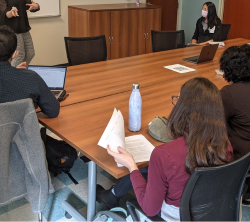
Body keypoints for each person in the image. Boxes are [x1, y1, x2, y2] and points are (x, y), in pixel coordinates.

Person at [96, 77, 232, 220]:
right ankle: (113, 194)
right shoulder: (225, 143)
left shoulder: (164, 154)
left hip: (177, 216)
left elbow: (150, 209)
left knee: (144, 178)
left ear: (183, 109)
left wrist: (131, 165)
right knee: (152, 171)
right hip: (212, 210)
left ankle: (113, 195)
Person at [0, 26, 59, 118]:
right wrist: (19, 74)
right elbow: (53, 111)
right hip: (23, 132)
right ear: (15, 53)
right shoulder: (32, 78)